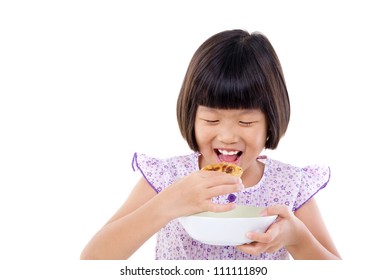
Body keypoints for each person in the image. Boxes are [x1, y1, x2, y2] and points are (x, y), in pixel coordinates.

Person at [80, 29, 341, 260]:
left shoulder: (290, 185)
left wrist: (297, 238)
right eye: (211, 119)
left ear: (270, 122)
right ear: (192, 117)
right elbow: (94, 259)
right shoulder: (167, 179)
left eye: (246, 122)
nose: (227, 136)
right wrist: (167, 204)